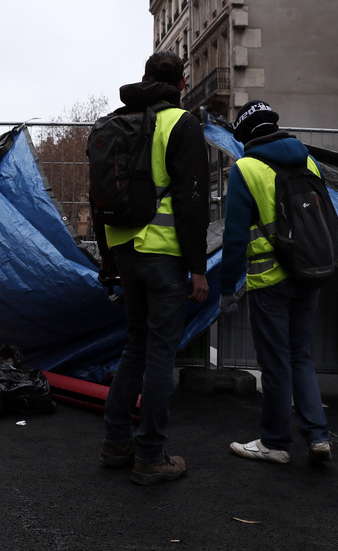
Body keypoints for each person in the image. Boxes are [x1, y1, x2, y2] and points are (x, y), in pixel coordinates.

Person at [95, 50, 211, 485]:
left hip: (125, 249)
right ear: (181, 85)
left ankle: (115, 443)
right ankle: (150, 455)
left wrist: (109, 258)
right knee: (161, 352)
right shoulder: (182, 124)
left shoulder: (113, 123)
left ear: (143, 79)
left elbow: (98, 196)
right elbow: (191, 201)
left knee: (136, 345)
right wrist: (197, 268)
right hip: (164, 254)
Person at [219, 100, 332, 464]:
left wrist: (225, 290)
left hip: (269, 280)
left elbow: (235, 237)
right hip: (309, 273)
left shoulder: (246, 169)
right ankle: (318, 437)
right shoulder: (309, 161)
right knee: (301, 356)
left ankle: (276, 443)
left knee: (275, 362)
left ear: (246, 136)